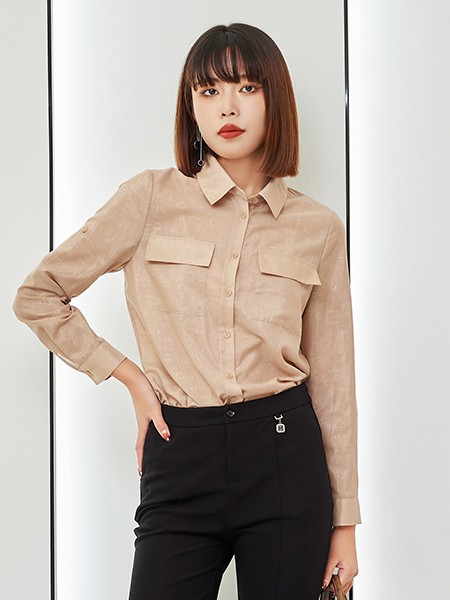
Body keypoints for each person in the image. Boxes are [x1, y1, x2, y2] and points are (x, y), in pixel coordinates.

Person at [13, 22, 360, 600]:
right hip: (181, 452)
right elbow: (39, 294)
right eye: (209, 90)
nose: (228, 107)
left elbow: (334, 382)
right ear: (190, 105)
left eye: (248, 88)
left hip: (284, 455)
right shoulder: (148, 199)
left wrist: (344, 522)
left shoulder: (318, 227)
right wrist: (130, 377)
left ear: (276, 98)